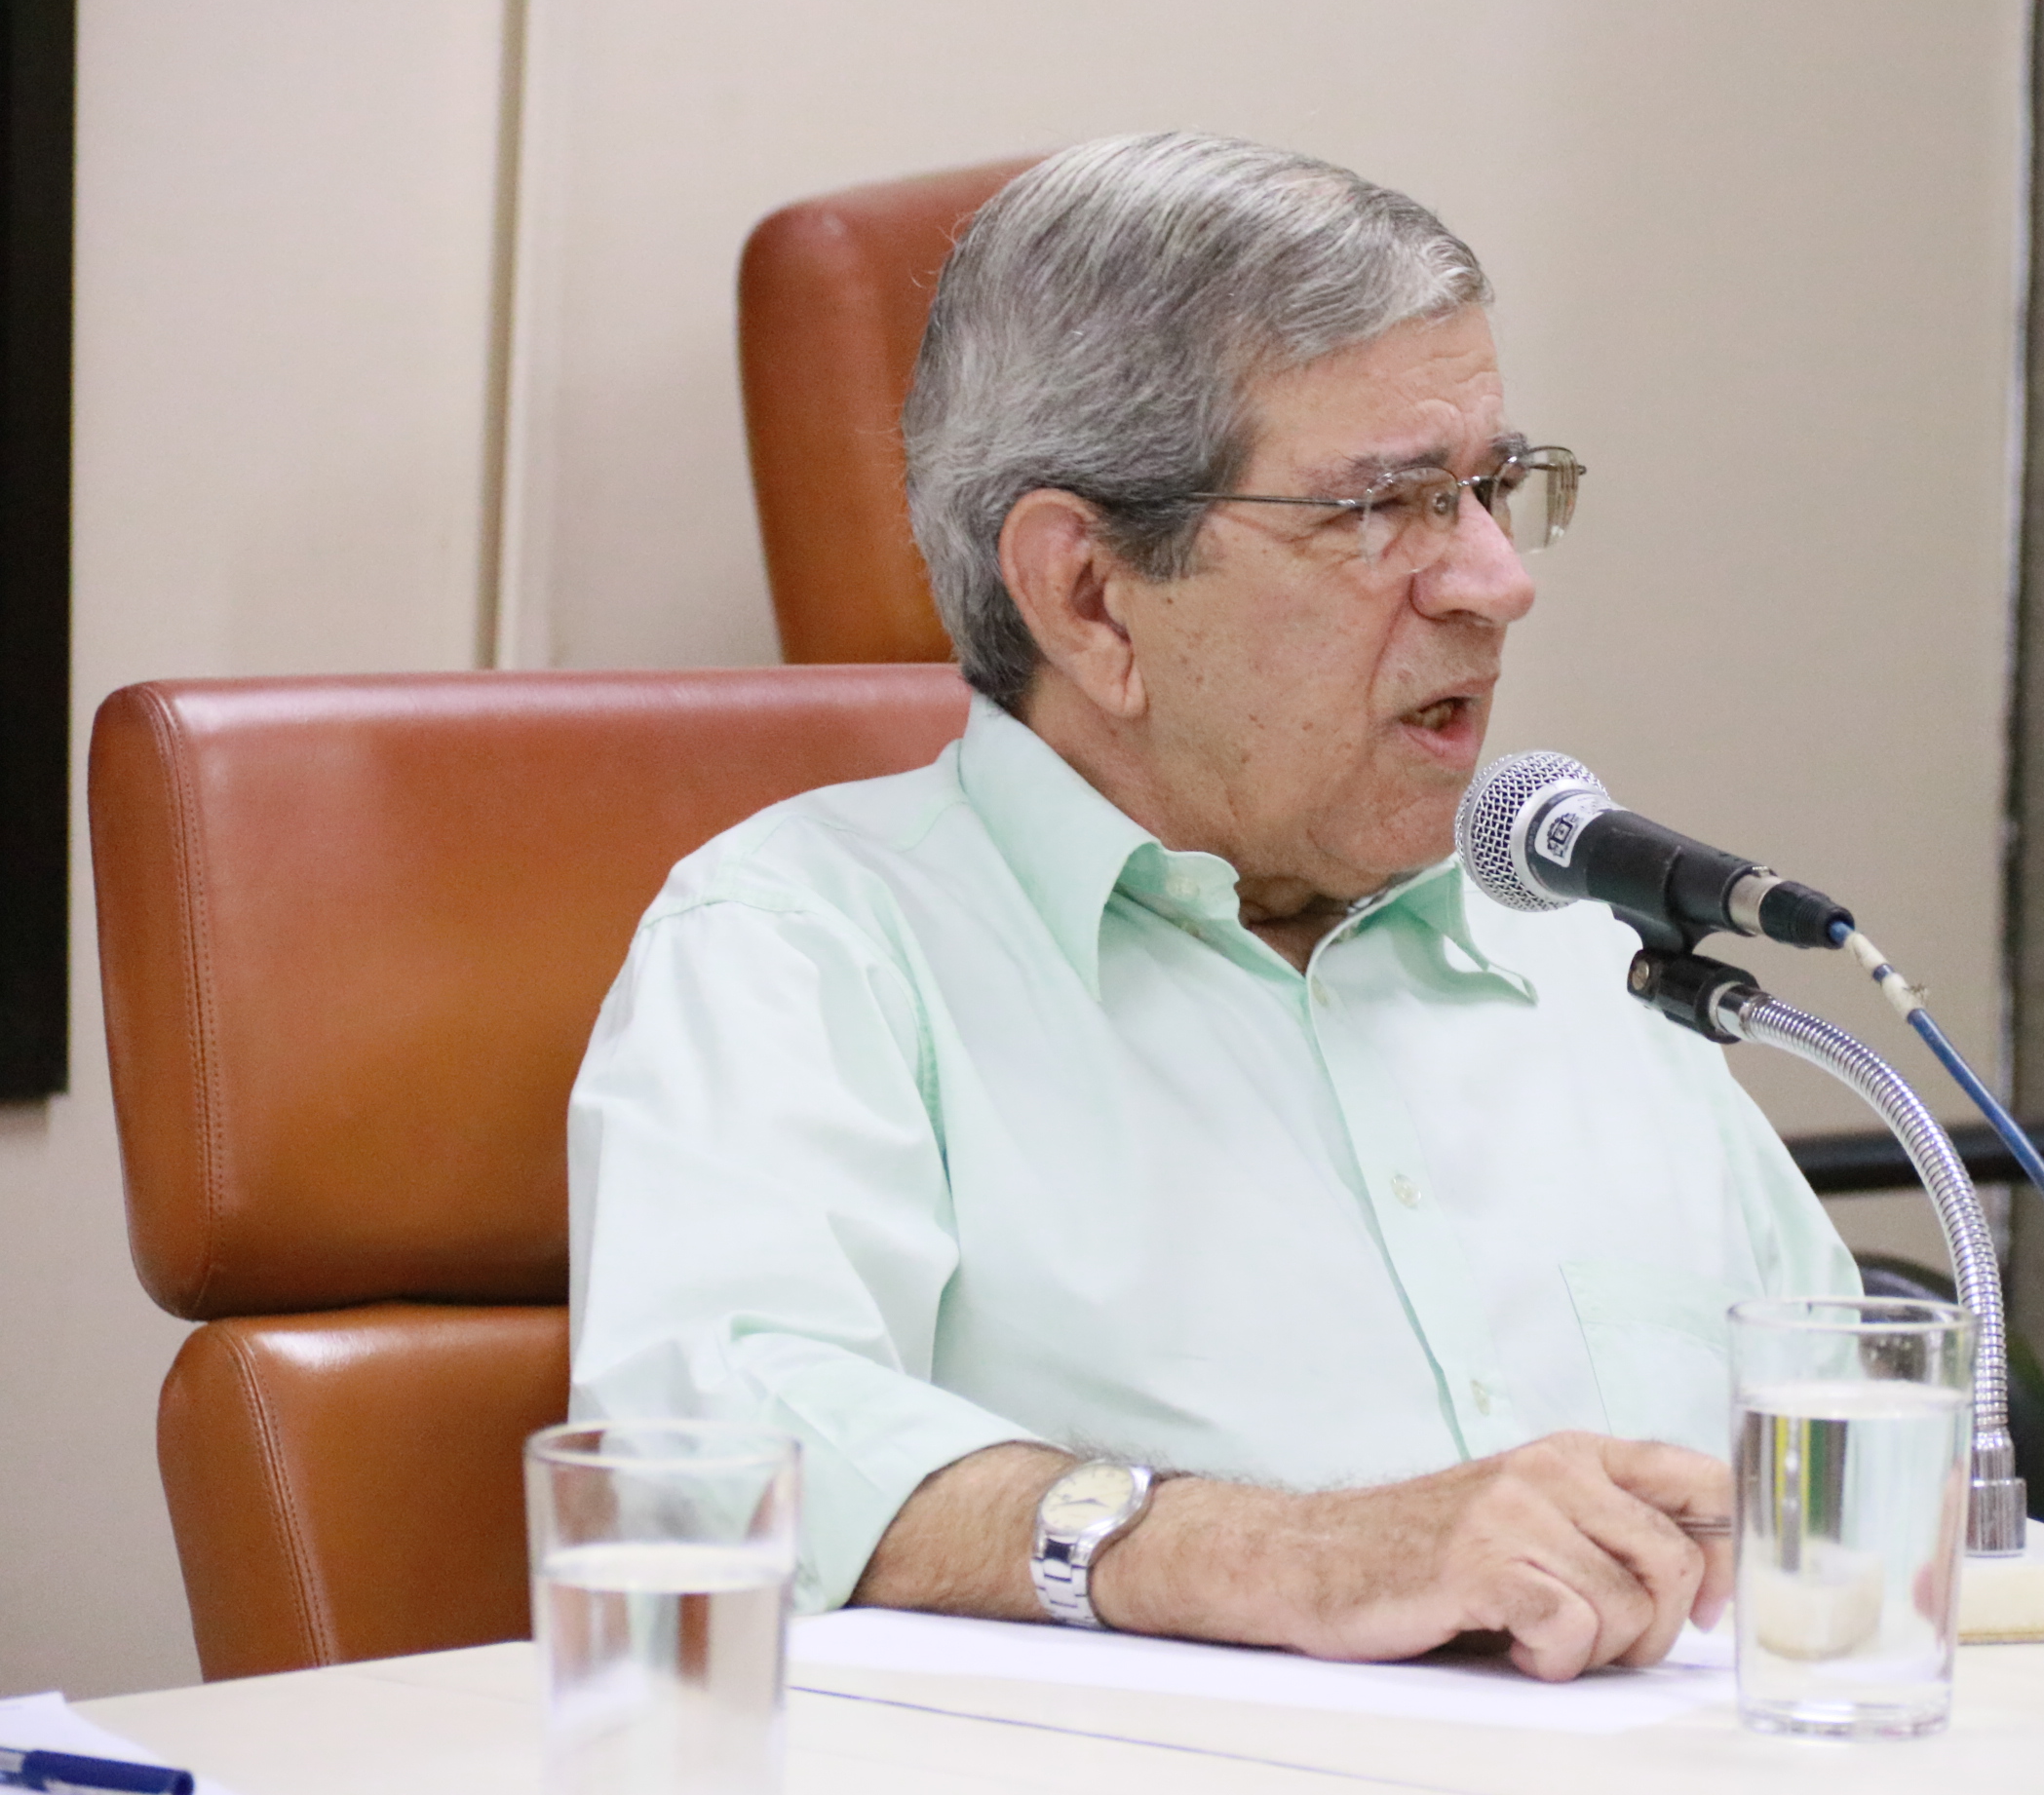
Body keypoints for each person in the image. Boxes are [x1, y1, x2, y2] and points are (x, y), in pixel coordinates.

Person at [567, 132, 1858, 1681]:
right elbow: (720, 1458)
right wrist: (1293, 1558)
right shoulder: (806, 944)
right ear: (1091, 596)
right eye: (1384, 507)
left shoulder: (1584, 946)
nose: (1495, 580)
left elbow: (1847, 1472)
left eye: (1492, 489)